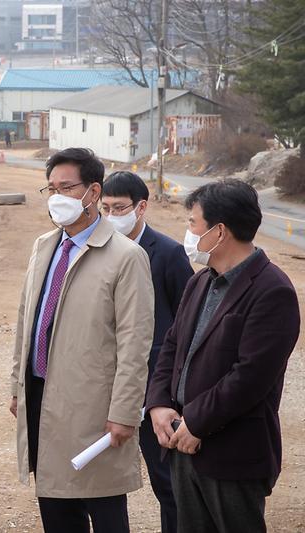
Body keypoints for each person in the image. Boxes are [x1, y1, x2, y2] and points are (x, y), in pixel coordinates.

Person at [10, 148, 154, 533]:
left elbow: (134, 343)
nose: (57, 196)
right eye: (51, 188)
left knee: (103, 507)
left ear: (93, 191)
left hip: (95, 410)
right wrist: (17, 388)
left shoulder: (126, 257)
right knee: (56, 510)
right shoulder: (45, 246)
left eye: (67, 187)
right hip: (43, 398)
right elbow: (27, 321)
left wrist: (124, 412)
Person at [147, 179, 300, 533]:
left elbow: (250, 377)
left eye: (192, 223)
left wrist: (197, 422)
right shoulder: (201, 281)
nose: (187, 231)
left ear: (219, 231)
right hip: (183, 442)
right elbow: (172, 345)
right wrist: (158, 403)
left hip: (232, 453)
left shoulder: (272, 291)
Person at [101, 171, 193, 533]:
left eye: (119, 207)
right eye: (104, 207)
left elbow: (186, 324)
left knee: (168, 483)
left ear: (141, 207)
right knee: (106, 481)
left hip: (157, 388)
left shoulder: (168, 254)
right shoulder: (100, 249)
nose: (111, 215)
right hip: (109, 384)